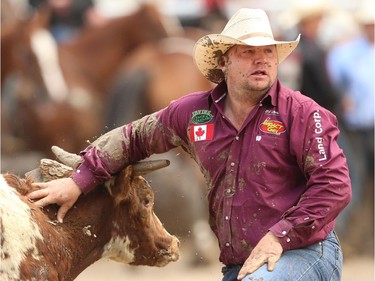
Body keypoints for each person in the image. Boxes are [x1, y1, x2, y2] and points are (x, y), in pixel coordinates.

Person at [28, 8, 351, 281]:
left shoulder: (305, 114)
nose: (261, 60)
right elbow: (133, 137)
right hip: (242, 263)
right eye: (248, 52)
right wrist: (78, 181)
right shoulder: (194, 113)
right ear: (225, 61)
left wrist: (279, 236)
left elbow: (334, 185)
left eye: (268, 52)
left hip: (306, 252)